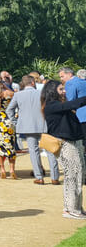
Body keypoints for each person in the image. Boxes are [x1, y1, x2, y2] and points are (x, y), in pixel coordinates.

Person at [42, 80, 86, 218]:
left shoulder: (59, 105)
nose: (64, 91)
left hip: (74, 142)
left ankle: (76, 207)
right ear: (52, 91)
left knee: (78, 175)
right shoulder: (52, 106)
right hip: (66, 144)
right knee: (72, 175)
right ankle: (71, 209)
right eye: (61, 89)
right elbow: (74, 104)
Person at [7, 76, 58, 185]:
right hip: (44, 124)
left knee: (33, 152)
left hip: (27, 126)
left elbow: (9, 110)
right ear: (33, 82)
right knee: (50, 151)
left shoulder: (17, 95)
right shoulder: (42, 93)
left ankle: (39, 177)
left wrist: (15, 121)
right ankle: (55, 177)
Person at [59, 67, 86, 183]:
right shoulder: (83, 82)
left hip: (81, 117)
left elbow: (70, 103)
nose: (61, 79)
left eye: (62, 76)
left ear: (69, 74)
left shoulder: (70, 84)